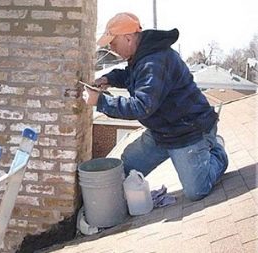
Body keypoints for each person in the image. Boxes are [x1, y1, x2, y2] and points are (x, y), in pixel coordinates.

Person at [82, 12, 228, 201]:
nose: (111, 48)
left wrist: (100, 102)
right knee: (125, 170)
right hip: (162, 131)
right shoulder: (143, 55)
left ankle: (217, 150)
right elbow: (132, 76)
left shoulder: (155, 61)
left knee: (196, 191)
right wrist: (108, 79)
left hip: (189, 131)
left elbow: (141, 106)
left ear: (128, 38)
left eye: (113, 42)